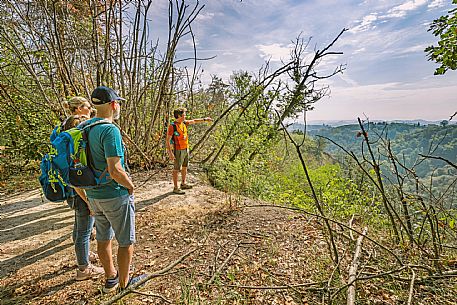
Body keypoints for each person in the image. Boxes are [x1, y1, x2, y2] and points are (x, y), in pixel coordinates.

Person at [74, 86, 145, 293]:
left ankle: (110, 279)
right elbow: (115, 170)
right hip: (114, 194)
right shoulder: (110, 130)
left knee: (103, 239)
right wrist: (130, 186)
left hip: (94, 195)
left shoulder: (84, 128)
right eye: (118, 103)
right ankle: (124, 285)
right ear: (114, 105)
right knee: (125, 241)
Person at [57, 97, 104, 281]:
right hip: (78, 191)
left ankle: (83, 256)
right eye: (86, 106)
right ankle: (83, 269)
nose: (90, 109)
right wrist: (88, 201)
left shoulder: (64, 128)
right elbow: (77, 177)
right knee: (84, 229)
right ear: (77, 109)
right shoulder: (75, 131)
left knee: (79, 227)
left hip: (71, 189)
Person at [166, 107, 213, 194]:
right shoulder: (172, 126)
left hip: (186, 149)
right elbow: (167, 140)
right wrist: (170, 153)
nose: (185, 116)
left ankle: (183, 183)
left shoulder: (184, 123)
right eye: (184, 114)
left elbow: (194, 121)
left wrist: (205, 119)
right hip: (178, 150)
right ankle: (175, 188)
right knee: (176, 169)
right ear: (179, 115)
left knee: (185, 166)